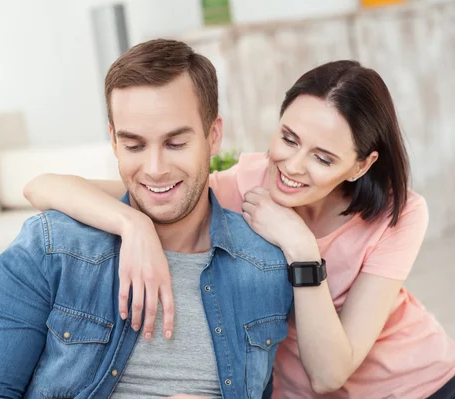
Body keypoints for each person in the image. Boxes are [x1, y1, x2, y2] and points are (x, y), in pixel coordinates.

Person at [23, 59, 455, 398]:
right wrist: (132, 223)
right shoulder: (241, 184)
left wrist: (301, 248)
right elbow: (42, 187)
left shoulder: (400, 213)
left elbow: (329, 373)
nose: (292, 167)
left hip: (421, 383)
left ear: (362, 165)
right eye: (288, 138)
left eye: (323, 159)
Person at [0, 39, 294, 399]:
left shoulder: (266, 267)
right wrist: (135, 224)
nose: (155, 169)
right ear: (113, 141)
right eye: (134, 145)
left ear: (214, 136)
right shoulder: (52, 248)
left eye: (176, 143)